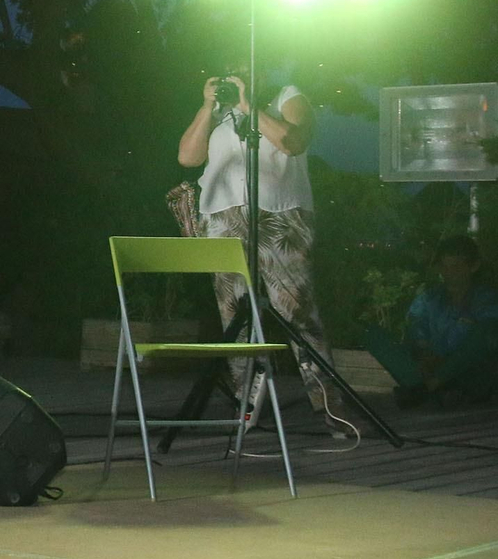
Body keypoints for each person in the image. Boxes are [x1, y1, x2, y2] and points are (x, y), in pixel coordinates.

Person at [177, 64, 336, 425]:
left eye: (244, 69)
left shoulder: (286, 96)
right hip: (223, 216)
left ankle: (329, 407)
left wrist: (250, 106)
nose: (236, 77)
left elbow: (293, 142)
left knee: (297, 310)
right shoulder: (218, 112)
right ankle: (245, 407)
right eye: (229, 71)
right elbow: (187, 157)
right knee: (234, 315)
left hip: (279, 216)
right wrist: (207, 107)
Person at [364, 235, 498, 408]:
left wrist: (444, 365)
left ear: (473, 266)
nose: (449, 273)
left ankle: (429, 388)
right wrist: (424, 353)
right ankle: (433, 391)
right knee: (372, 334)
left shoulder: (487, 299)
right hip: (427, 366)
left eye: (456, 266)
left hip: (467, 372)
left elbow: (480, 342)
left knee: (487, 333)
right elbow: (416, 329)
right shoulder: (429, 298)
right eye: (444, 266)